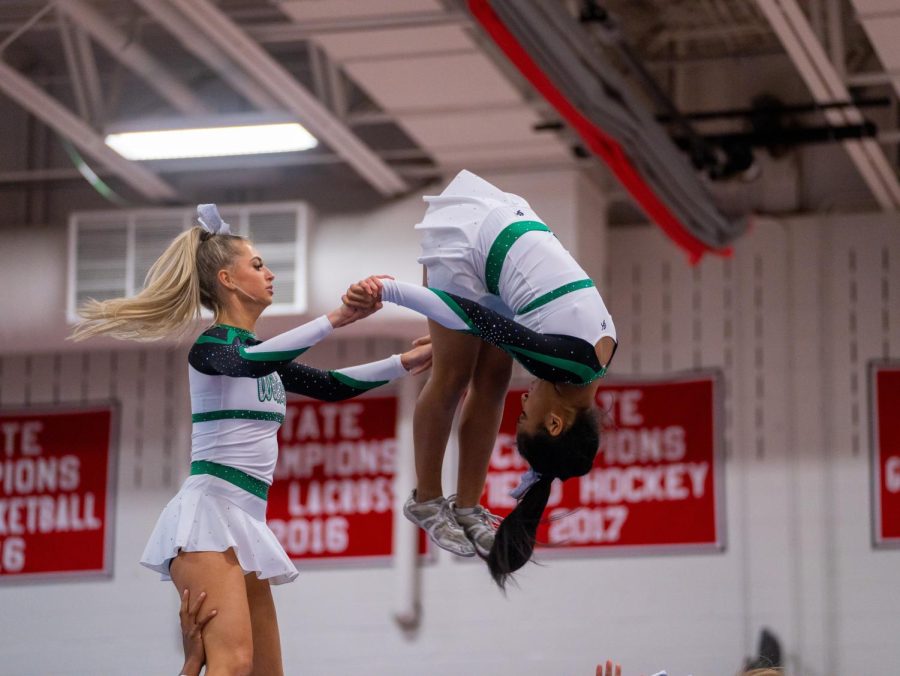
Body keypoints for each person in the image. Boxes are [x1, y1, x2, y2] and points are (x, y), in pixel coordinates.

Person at [73, 205, 431, 676]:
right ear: (227, 279)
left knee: (265, 673)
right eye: (257, 265)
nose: (270, 274)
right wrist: (338, 317)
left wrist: (407, 362)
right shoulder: (213, 349)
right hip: (206, 519)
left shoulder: (262, 357)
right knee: (233, 665)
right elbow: (250, 362)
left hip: (243, 522)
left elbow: (333, 385)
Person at [344, 170, 617, 588]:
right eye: (526, 418)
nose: (524, 407)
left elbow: (493, 326)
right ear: (556, 422)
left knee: (492, 380)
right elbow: (476, 320)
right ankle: (428, 500)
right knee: (454, 376)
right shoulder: (560, 362)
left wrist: (448, 338)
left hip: (502, 237)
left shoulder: (596, 358)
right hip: (469, 236)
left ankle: (468, 505)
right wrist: (388, 290)